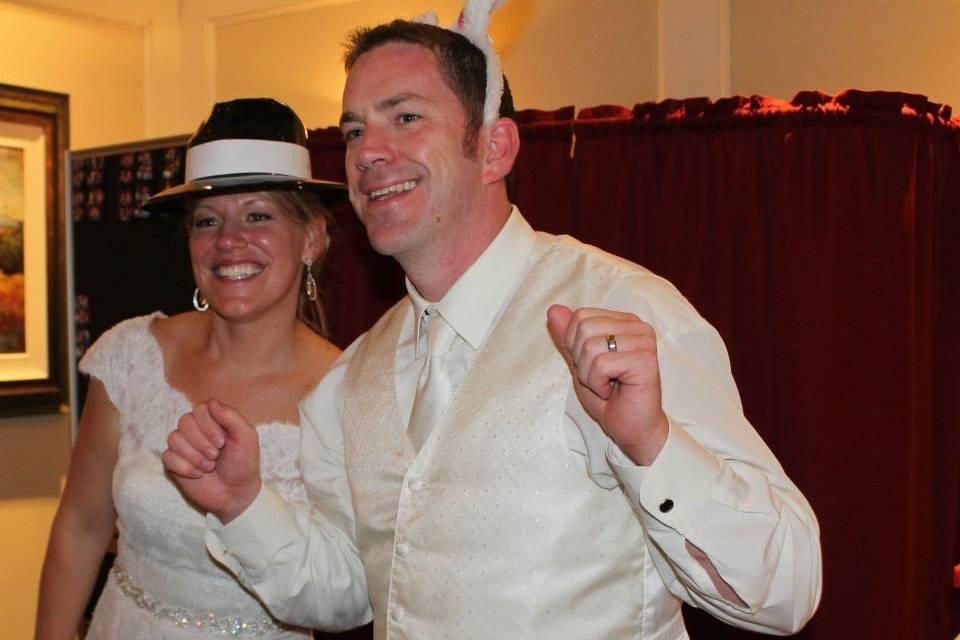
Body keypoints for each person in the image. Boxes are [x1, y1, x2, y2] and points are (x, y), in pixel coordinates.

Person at [163, 5, 823, 638]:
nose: (366, 154)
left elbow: (787, 591)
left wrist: (652, 444)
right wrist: (243, 506)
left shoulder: (624, 310)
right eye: (357, 129)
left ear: (495, 147)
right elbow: (357, 591)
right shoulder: (353, 377)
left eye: (405, 117)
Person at [35, 98, 368, 639]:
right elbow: (81, 527)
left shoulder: (349, 391)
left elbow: (354, 585)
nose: (228, 241)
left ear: (311, 239)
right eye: (207, 221)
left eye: (257, 216)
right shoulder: (132, 356)